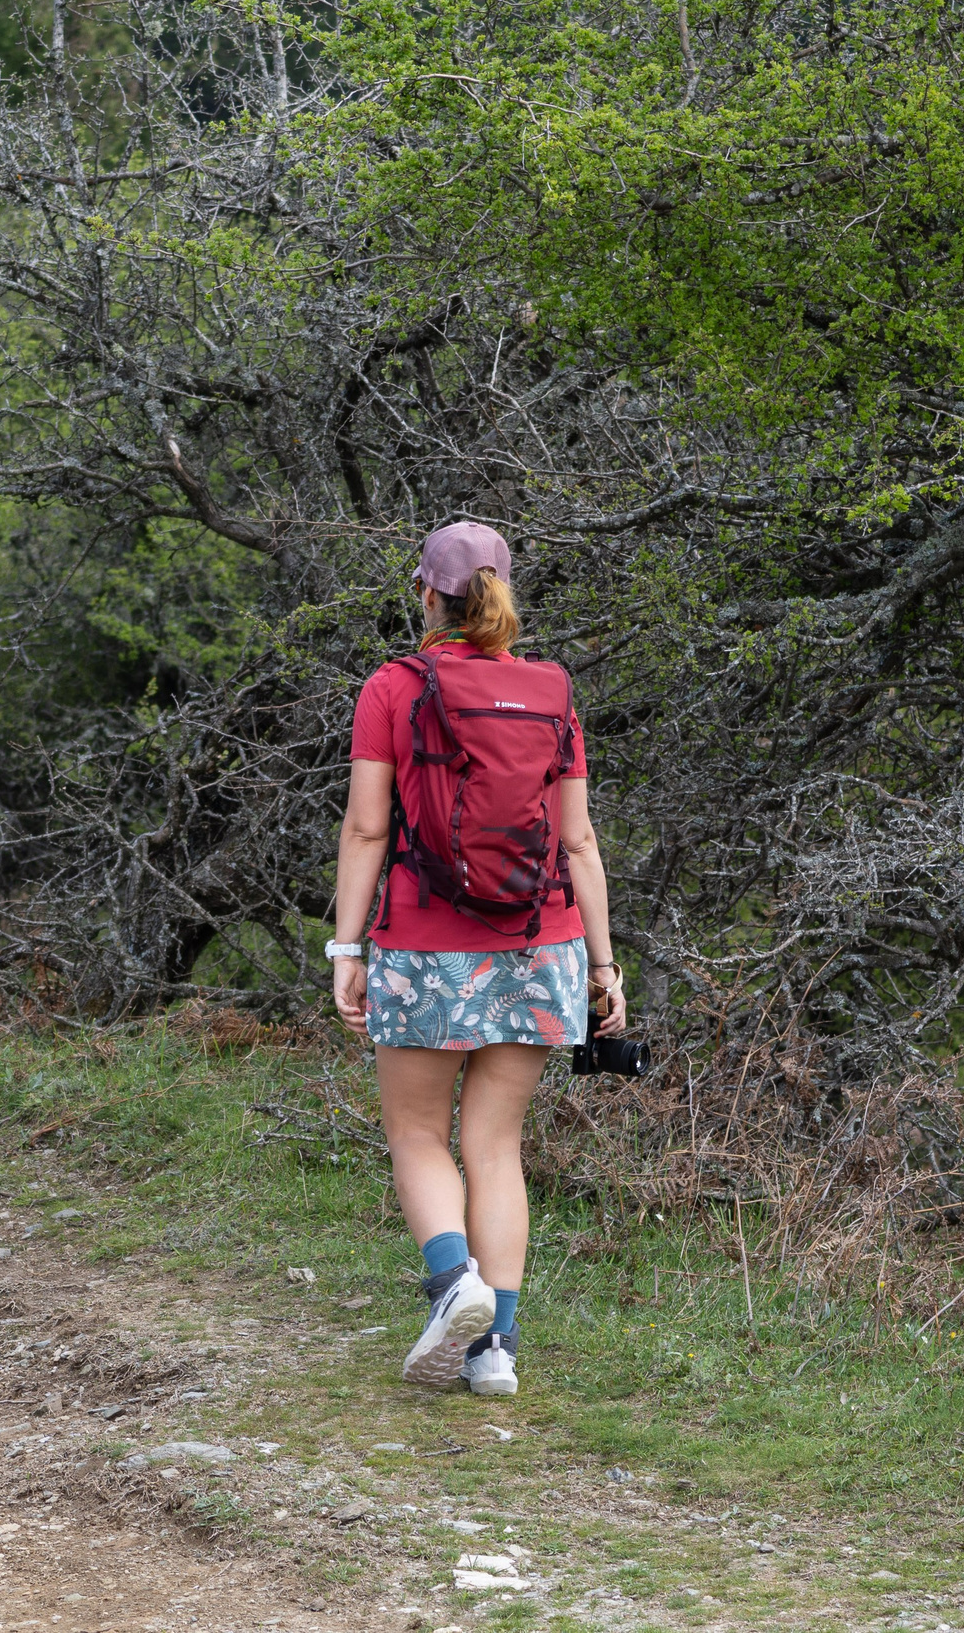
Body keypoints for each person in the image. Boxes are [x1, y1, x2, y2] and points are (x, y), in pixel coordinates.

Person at [327, 520, 626, 1397]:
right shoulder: (552, 690)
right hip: (544, 948)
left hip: (424, 949)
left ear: (427, 593)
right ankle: (495, 1348)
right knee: (496, 1144)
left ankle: (453, 1280)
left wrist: (349, 947)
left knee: (419, 1134)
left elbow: (368, 827)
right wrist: (603, 970)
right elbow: (578, 842)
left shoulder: (393, 686)